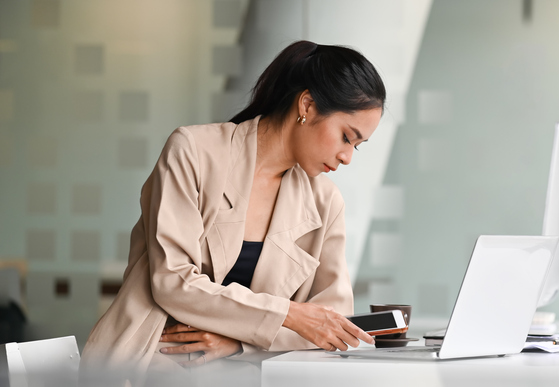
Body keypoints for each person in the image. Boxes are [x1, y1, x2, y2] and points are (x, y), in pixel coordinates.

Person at [80, 40, 385, 379]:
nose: (348, 157)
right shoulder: (193, 152)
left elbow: (333, 319)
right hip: (150, 359)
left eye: (358, 146)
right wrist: (287, 314)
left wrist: (239, 342)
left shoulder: (326, 202)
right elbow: (172, 281)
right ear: (308, 105)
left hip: (248, 372)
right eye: (346, 137)